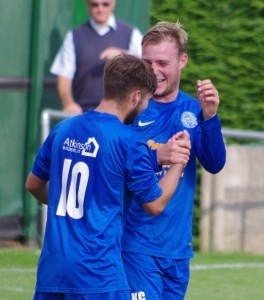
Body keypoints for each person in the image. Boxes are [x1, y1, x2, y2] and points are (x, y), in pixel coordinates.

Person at [26, 54, 191, 300]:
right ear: (136, 96)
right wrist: (179, 161)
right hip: (98, 275)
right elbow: (155, 204)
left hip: (52, 273)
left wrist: (70, 202)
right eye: (146, 99)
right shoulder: (128, 140)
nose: (145, 106)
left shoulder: (63, 129)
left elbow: (33, 184)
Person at [122, 21, 227, 299]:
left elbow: (215, 164)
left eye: (162, 62)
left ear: (182, 61)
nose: (154, 70)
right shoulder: (129, 107)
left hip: (178, 250)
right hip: (136, 246)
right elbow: (115, 164)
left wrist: (211, 117)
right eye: (147, 62)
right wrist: (159, 155)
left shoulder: (195, 109)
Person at [50, 0, 143, 114]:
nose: (100, 9)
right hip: (86, 113)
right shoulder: (74, 36)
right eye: (95, 4)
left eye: (105, 4)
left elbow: (147, 65)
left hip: (123, 114)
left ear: (113, 3)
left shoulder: (131, 34)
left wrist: (124, 55)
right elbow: (64, 75)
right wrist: (68, 104)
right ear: (87, 4)